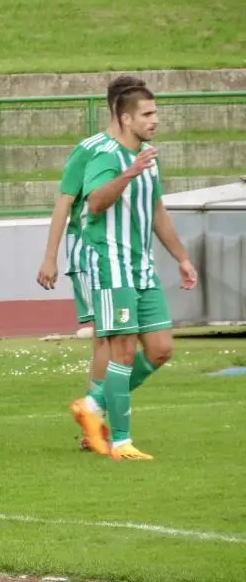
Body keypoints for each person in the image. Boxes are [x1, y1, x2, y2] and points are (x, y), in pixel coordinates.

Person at [75, 85, 198, 460]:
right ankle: (122, 441)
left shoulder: (149, 156)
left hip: (141, 266)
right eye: (147, 114)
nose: (155, 120)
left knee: (160, 350)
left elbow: (157, 210)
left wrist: (181, 256)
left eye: (155, 113)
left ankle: (93, 404)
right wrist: (127, 174)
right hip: (111, 265)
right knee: (123, 352)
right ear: (126, 118)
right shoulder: (105, 154)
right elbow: (94, 202)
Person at [36, 75, 146, 450]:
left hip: (121, 257)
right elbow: (65, 202)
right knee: (107, 337)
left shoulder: (134, 152)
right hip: (91, 255)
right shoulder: (91, 149)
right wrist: (49, 257)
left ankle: (95, 414)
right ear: (120, 109)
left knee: (120, 339)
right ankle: (92, 424)